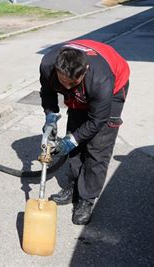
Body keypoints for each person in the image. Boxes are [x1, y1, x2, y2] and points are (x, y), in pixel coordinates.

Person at [39, 39, 130, 225]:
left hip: (114, 84)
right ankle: (74, 187)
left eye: (72, 83)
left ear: (85, 70)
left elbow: (97, 120)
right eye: (63, 82)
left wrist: (70, 141)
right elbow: (47, 92)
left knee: (98, 147)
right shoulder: (48, 64)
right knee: (74, 130)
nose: (67, 88)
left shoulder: (101, 80)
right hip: (87, 81)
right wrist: (50, 115)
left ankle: (86, 198)